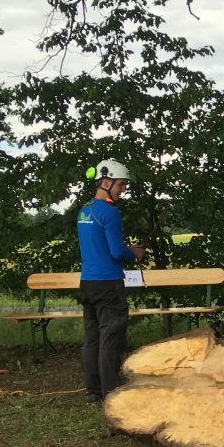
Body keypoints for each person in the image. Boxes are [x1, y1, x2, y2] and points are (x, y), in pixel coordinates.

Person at [77, 160, 145, 402]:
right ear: (106, 181)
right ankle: (113, 391)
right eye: (121, 184)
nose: (123, 189)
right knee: (111, 336)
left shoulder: (84, 211)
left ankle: (94, 390)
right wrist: (134, 253)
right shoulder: (110, 212)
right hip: (108, 285)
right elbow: (116, 252)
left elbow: (98, 247)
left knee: (92, 337)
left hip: (87, 284)